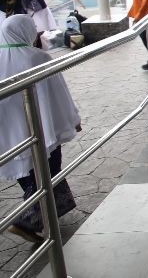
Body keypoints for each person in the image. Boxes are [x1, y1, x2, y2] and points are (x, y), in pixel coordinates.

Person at [0, 15, 81, 243]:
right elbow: (59, 93)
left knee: (28, 173)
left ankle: (46, 214)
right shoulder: (37, 57)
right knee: (47, 171)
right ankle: (26, 221)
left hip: (9, 134)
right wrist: (72, 118)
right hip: (40, 129)